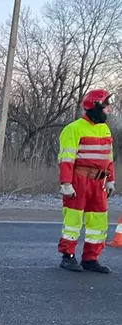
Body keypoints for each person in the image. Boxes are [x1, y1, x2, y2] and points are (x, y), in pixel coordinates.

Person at [57, 89, 115, 273]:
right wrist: (66, 183)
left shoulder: (104, 129)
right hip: (79, 179)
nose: (109, 110)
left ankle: (91, 258)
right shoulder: (74, 129)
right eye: (106, 106)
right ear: (95, 106)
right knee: (73, 220)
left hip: (99, 183)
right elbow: (66, 159)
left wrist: (111, 179)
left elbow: (109, 157)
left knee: (98, 222)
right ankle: (68, 257)